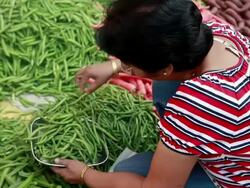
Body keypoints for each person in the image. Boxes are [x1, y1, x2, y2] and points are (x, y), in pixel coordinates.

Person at [51, 0, 250, 187]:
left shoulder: (199, 105)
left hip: (238, 179)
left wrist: (86, 175)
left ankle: (191, 149)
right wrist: (114, 66)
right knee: (165, 88)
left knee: (125, 171)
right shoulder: (212, 34)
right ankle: (188, 145)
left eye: (130, 65)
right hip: (237, 138)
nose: (126, 67)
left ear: (166, 69)